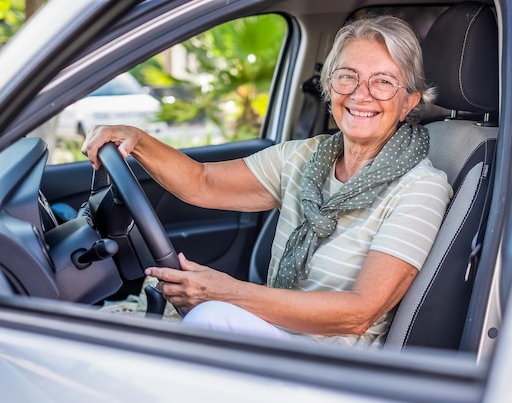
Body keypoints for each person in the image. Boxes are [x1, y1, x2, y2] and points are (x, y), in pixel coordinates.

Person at [82, 15, 453, 348]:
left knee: (208, 319)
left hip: (338, 368)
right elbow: (203, 181)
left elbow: (359, 313)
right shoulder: (307, 156)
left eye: (383, 82)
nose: (360, 93)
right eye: (347, 76)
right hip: (278, 335)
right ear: (329, 87)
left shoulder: (420, 188)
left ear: (409, 103)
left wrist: (228, 294)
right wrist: (137, 139)